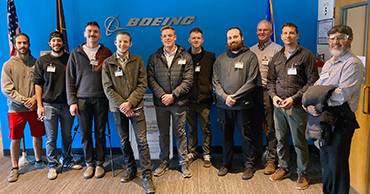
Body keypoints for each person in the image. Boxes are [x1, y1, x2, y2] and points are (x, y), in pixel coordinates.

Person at [304, 25, 363, 194]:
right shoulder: (330, 63)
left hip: (341, 121)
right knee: (327, 165)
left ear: (349, 39)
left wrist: (317, 103)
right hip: (325, 119)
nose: (335, 42)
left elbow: (340, 95)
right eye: (331, 39)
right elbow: (316, 87)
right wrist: (309, 102)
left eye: (340, 38)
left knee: (337, 166)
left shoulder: (352, 64)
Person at [102, 31, 155, 194]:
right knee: (124, 141)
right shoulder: (107, 63)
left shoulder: (138, 60)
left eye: (125, 42)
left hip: (136, 107)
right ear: (115, 43)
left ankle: (147, 177)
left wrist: (130, 103)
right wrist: (122, 105)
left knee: (142, 141)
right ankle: (131, 169)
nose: (122, 44)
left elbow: (142, 84)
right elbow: (107, 87)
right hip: (118, 109)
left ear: (130, 44)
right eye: (119, 41)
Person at [267, 23, 318, 190]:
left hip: (296, 107)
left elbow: (312, 82)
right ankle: (284, 167)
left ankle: (303, 173)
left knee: (298, 141)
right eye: (285, 33)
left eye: (291, 33)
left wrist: (294, 99)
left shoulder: (306, 55)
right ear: (280, 36)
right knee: (280, 139)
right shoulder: (277, 56)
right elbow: (271, 81)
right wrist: (273, 97)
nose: (288, 36)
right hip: (279, 106)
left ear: (297, 35)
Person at [213, 27, 261, 180]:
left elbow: (252, 81)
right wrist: (225, 97)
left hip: (244, 105)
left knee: (246, 136)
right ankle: (226, 163)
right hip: (223, 105)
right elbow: (215, 82)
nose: (232, 40)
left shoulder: (250, 57)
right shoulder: (220, 59)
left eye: (235, 37)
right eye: (229, 38)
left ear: (242, 37)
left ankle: (249, 165)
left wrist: (234, 96)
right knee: (226, 135)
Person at [66, 21, 112, 179]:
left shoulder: (106, 52)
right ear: (85, 33)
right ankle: (89, 164)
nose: (92, 34)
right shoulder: (76, 53)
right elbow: (69, 79)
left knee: (100, 132)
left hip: (101, 99)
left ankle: (100, 163)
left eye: (95, 32)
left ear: (100, 34)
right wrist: (72, 102)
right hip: (82, 100)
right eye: (89, 31)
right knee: (85, 133)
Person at [34, 31, 82, 180]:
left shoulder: (69, 59)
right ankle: (52, 165)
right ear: (50, 43)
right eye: (54, 41)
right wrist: (39, 105)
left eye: (59, 41)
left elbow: (76, 80)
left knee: (67, 135)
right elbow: (38, 84)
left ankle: (67, 160)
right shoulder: (42, 61)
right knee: (51, 138)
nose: (56, 43)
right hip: (49, 105)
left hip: (67, 105)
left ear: (63, 43)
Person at [147, 26, 193, 178]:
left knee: (180, 133)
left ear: (175, 37)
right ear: (161, 38)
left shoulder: (185, 56)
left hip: (179, 103)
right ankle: (163, 162)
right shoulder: (154, 57)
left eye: (170, 36)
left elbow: (188, 80)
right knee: (163, 134)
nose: (167, 38)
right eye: (164, 36)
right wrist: (162, 95)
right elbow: (151, 79)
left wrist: (173, 95)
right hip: (161, 104)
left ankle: (183, 164)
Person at [1, 33, 45, 182]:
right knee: (15, 138)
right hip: (16, 109)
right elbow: (7, 89)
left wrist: (34, 100)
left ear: (29, 44)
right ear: (15, 45)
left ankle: (39, 161)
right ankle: (14, 168)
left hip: (34, 107)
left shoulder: (37, 63)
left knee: (37, 135)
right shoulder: (8, 65)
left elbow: (42, 84)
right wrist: (24, 100)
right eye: (19, 43)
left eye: (25, 43)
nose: (22, 46)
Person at [250, 20, 282, 175]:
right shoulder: (251, 50)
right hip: (252, 93)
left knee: (270, 127)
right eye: (259, 30)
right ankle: (255, 157)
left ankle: (271, 160)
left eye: (265, 30)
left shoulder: (278, 50)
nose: (262, 32)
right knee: (254, 126)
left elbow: (280, 76)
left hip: (269, 93)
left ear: (271, 32)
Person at [186, 27, 215, 167]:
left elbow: (214, 78)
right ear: (189, 40)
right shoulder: (183, 57)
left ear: (202, 40)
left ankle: (206, 153)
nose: (196, 40)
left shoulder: (210, 57)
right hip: (188, 100)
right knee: (191, 128)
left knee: (206, 128)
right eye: (193, 38)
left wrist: (210, 91)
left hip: (205, 100)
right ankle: (192, 151)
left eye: (198, 38)